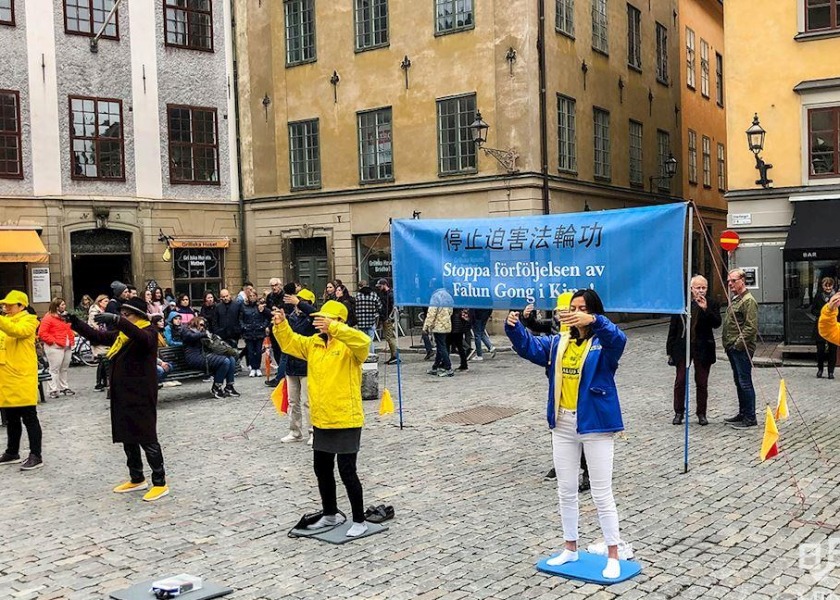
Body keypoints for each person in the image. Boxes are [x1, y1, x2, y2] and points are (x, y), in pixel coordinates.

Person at [505, 289, 627, 580]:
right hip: (562, 423)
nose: (575, 312)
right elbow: (530, 348)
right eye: (572, 307)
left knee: (601, 492)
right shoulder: (559, 342)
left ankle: (613, 552)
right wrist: (514, 328)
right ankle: (570, 547)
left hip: (595, 423)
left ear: (594, 310)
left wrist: (595, 320)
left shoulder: (604, 342)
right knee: (566, 489)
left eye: (582, 308)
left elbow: (618, 339)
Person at [271, 300, 372, 537]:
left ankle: (359, 519)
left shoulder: (351, 346)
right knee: (322, 468)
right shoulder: (314, 343)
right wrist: (281, 324)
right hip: (322, 418)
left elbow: (364, 341)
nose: (320, 323)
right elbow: (290, 343)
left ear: (338, 321)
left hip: (346, 416)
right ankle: (330, 513)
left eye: (326, 319)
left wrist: (335, 329)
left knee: (347, 470)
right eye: (320, 319)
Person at [66, 297, 169, 501]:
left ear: (138, 316)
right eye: (122, 315)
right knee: (127, 436)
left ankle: (160, 482)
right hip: (123, 393)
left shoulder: (148, 332)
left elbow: (141, 337)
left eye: (127, 315)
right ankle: (137, 477)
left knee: (146, 437)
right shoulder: (123, 334)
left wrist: (117, 320)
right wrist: (75, 323)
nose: (123, 318)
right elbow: (98, 336)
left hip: (140, 394)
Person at [666, 275, 721, 426]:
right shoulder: (681, 304)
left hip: (703, 347)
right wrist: (670, 350)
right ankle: (679, 412)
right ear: (691, 289)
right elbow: (674, 328)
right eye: (698, 288)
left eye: (704, 288)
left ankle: (701, 413)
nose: (701, 291)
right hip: (683, 347)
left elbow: (717, 323)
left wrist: (706, 309)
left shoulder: (712, 303)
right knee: (680, 380)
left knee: (702, 382)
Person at [0, 291, 44, 471]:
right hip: (7, 377)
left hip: (22, 376)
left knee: (29, 417)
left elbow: (17, 332)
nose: (6, 308)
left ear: (21, 306)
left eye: (10, 305)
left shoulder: (30, 320)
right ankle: (12, 451)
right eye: (5, 305)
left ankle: (36, 454)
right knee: (11, 418)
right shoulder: (6, 321)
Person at [722, 268, 759, 429]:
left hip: (742, 348)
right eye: (729, 281)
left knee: (745, 382)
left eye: (733, 281)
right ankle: (742, 413)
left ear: (742, 280)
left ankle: (750, 417)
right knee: (739, 381)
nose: (730, 284)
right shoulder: (737, 299)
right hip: (732, 347)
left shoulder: (748, 301)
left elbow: (751, 327)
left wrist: (737, 344)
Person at [280, 289, 318, 443]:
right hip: (291, 364)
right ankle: (295, 431)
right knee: (293, 401)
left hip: (307, 364)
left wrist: (299, 303)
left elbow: (315, 313)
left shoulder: (313, 318)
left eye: (301, 301)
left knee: (308, 401)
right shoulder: (292, 318)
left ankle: (313, 431)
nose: (296, 304)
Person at [181, 317, 240, 398]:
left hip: (204, 355)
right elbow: (190, 336)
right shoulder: (186, 330)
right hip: (194, 357)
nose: (202, 327)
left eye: (204, 325)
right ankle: (216, 387)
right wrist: (205, 334)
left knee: (231, 359)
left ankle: (229, 386)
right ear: (195, 322)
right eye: (201, 324)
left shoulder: (201, 332)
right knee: (224, 361)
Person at [38, 297, 76, 398]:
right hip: (55, 347)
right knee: (54, 369)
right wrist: (53, 341)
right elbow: (42, 333)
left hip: (66, 345)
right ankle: (53, 389)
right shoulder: (48, 318)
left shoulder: (65, 317)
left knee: (64, 368)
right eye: (62, 305)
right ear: (56, 306)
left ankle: (64, 387)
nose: (64, 306)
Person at [422, 288, 454, 377]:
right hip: (446, 324)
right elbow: (451, 311)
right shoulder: (448, 296)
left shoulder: (435, 297)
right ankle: (435, 367)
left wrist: (426, 327)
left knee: (441, 347)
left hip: (438, 326)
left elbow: (431, 313)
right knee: (440, 346)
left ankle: (448, 368)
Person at [812, 277, 838, 379]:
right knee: (820, 350)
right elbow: (813, 310)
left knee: (833, 350)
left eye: (830, 285)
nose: (828, 287)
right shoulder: (818, 296)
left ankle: (831, 371)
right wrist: (823, 314)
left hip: (833, 326)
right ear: (822, 286)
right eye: (826, 285)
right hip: (821, 326)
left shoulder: (836, 297)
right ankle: (820, 369)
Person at [240, 288, 270, 378]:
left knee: (258, 351)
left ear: (256, 297)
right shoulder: (244, 306)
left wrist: (263, 326)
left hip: (259, 331)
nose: (252, 297)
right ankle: (253, 368)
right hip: (248, 332)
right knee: (250, 351)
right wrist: (244, 327)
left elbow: (266, 318)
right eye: (250, 296)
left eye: (254, 296)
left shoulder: (260, 306)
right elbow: (241, 318)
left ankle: (257, 368)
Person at [89, 294, 111, 391]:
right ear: (100, 302)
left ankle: (102, 382)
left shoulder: (104, 311)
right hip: (98, 338)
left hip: (104, 338)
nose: (107, 303)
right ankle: (99, 383)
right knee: (102, 358)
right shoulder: (94, 312)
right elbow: (95, 325)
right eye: (105, 301)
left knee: (104, 359)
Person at [354, 281, 382, 355]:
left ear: (360, 287)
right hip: (371, 320)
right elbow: (379, 306)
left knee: (362, 340)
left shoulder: (357, 295)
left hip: (360, 322)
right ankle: (371, 355)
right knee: (370, 340)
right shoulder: (373, 295)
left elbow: (354, 307)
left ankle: (363, 356)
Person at [376, 279, 398, 364]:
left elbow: (394, 307)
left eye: (380, 286)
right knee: (389, 337)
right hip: (384, 317)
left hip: (388, 318)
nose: (379, 288)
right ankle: (393, 355)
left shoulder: (390, 294)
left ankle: (395, 356)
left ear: (385, 285)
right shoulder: (383, 293)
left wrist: (390, 317)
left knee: (389, 337)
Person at [448, 307, 470, 372]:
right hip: (459, 327)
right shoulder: (460, 304)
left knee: (446, 346)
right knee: (460, 346)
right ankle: (464, 364)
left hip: (453, 327)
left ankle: (445, 364)